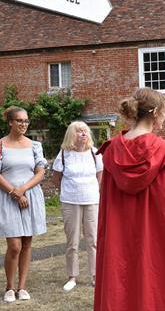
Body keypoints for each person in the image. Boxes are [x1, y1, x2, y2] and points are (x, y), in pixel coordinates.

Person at [94, 87, 165, 311]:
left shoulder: (112, 151)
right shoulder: (164, 153)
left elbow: (108, 206)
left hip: (119, 239)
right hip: (158, 241)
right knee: (160, 285)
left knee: (122, 282)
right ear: (156, 112)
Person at [0, 106, 47, 303]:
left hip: (29, 197)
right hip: (8, 198)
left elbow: (40, 172)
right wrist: (14, 192)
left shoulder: (34, 146)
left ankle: (22, 287)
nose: (24, 124)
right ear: (10, 122)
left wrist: (23, 190)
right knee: (14, 246)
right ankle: (9, 287)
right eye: (20, 120)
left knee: (27, 243)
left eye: (26, 121)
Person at [52, 121, 103, 292]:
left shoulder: (95, 153)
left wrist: (93, 192)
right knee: (72, 241)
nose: (83, 133)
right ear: (71, 134)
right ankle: (72, 277)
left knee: (93, 240)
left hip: (91, 200)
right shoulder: (64, 154)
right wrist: (68, 192)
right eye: (79, 131)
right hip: (70, 201)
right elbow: (56, 179)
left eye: (85, 131)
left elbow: (99, 177)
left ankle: (96, 276)